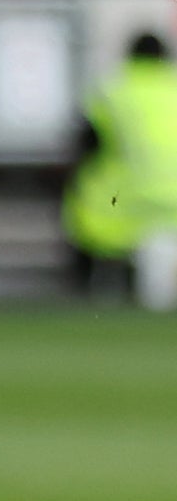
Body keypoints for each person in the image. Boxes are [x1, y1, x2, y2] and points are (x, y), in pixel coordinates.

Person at [66, 32, 177, 310]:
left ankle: (89, 290)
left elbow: (86, 146)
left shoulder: (113, 90)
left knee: (82, 212)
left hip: (129, 203)